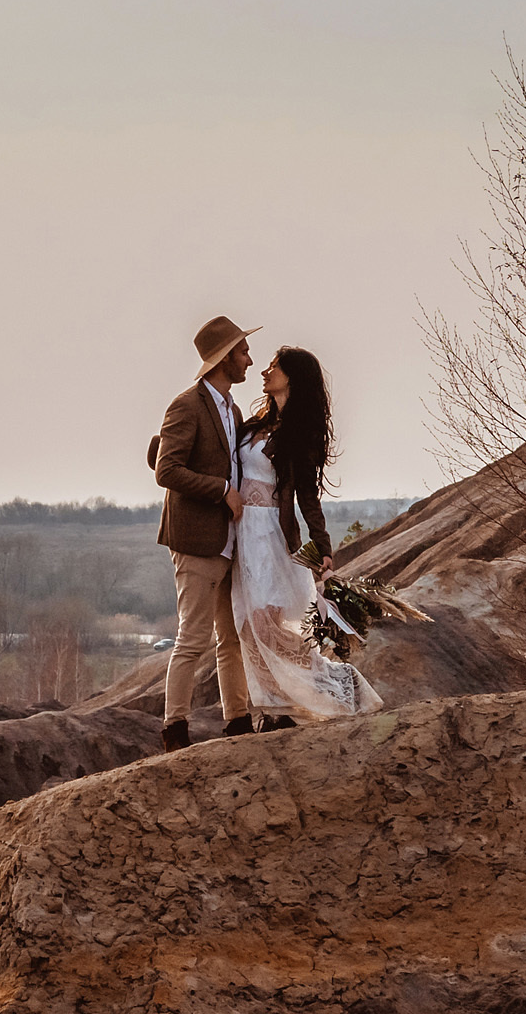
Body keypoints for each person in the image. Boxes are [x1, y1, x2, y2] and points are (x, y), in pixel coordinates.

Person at [229, 346, 382, 726]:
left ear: (292, 377)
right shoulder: (251, 425)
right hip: (240, 535)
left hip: (269, 536)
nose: (265, 371)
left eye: (274, 367)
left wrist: (322, 547)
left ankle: (324, 691)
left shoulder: (300, 434)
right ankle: (276, 705)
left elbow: (308, 497)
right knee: (247, 626)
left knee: (266, 623)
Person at [150, 315, 259, 749]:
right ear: (224, 358)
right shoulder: (186, 405)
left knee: (230, 638)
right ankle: (174, 731)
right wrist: (222, 491)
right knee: (192, 639)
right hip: (196, 541)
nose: (249, 360)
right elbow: (166, 469)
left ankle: (237, 723)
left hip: (229, 543)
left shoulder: (231, 409)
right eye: (243, 352)